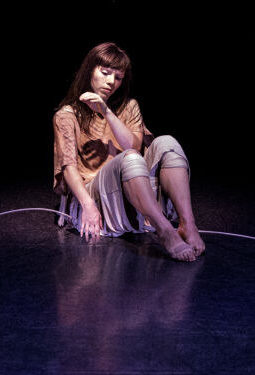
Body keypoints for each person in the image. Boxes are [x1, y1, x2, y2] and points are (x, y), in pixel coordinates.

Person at [53, 42, 205, 262]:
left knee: (167, 143)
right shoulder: (67, 115)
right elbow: (68, 167)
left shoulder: (129, 106)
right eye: (105, 73)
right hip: (97, 192)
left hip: (134, 182)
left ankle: (188, 224)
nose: (111, 82)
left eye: (118, 77)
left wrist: (106, 112)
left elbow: (132, 145)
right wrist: (88, 205)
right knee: (131, 158)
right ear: (89, 71)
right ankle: (165, 230)